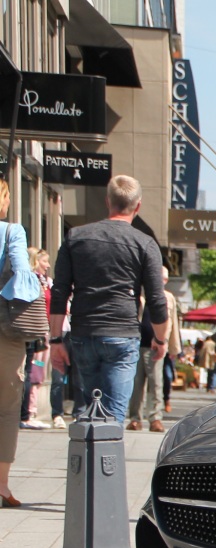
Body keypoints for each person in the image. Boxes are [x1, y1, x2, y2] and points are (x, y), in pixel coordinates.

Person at [48, 174, 169, 424]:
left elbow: (60, 291)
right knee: (112, 413)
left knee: (88, 409)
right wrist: (160, 339)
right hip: (122, 334)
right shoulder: (144, 243)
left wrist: (56, 339)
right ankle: (106, 460)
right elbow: (156, 299)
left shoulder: (76, 237)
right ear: (138, 206)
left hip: (84, 332)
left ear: (107, 201)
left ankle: (85, 459)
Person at [0, 177, 44, 506]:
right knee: (6, 408)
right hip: (4, 334)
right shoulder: (12, 232)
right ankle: (1, 486)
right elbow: (22, 275)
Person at [126, 267, 180, 432]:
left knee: (156, 382)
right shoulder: (139, 295)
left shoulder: (168, 298)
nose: (161, 282)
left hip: (156, 344)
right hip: (136, 343)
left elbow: (173, 322)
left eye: (164, 279)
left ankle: (155, 418)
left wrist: (173, 348)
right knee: (137, 383)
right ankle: (135, 418)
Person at [19, 247, 53, 429]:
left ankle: (28, 411)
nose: (47, 265)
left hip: (40, 333)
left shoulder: (43, 281)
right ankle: (25, 414)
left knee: (35, 371)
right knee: (27, 372)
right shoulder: (31, 280)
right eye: (44, 261)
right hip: (32, 331)